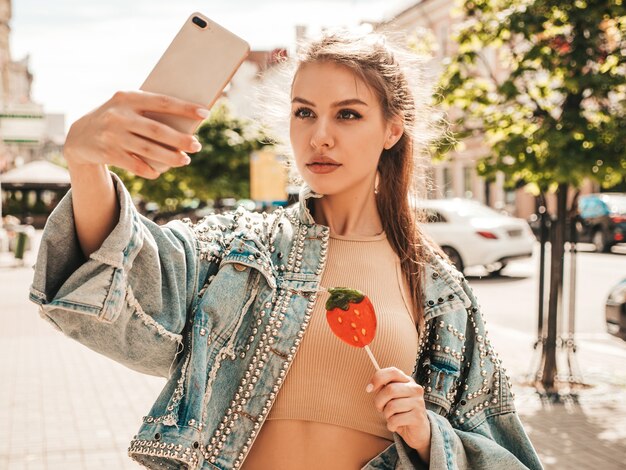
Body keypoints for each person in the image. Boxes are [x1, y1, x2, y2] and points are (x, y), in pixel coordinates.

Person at [29, 30, 543, 470]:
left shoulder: (439, 290)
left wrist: (432, 437)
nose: (320, 136)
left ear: (392, 127)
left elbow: (501, 449)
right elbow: (127, 271)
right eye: (304, 112)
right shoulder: (242, 248)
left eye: (347, 114)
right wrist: (85, 163)